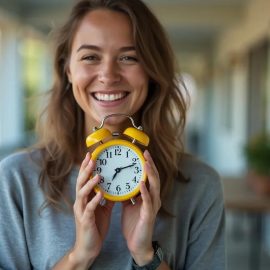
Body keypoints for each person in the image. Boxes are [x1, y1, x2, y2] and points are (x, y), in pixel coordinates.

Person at [0, 0, 225, 269]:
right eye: (91, 57)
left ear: (152, 70)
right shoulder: (16, 180)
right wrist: (79, 256)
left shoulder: (199, 186)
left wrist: (145, 254)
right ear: (68, 69)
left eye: (129, 57)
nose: (108, 75)